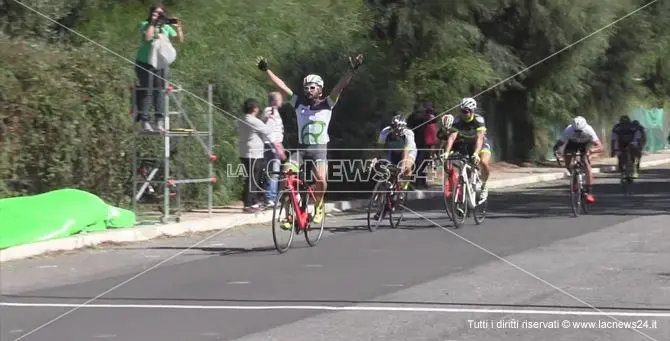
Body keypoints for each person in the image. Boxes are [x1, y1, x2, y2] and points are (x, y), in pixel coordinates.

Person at [255, 54, 363, 226]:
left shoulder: (328, 103)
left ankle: (318, 205)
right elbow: (281, 86)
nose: (308, 90)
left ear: (320, 89)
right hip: (302, 149)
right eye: (306, 88)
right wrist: (266, 70)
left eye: (312, 87)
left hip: (319, 149)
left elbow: (340, 86)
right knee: (286, 175)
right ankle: (291, 212)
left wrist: (351, 70)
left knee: (321, 179)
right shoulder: (299, 103)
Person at [134, 2, 184, 132]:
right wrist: (153, 23)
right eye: (154, 13)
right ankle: (145, 120)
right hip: (145, 62)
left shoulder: (166, 27)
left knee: (159, 91)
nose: (156, 15)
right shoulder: (146, 25)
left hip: (161, 63)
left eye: (159, 13)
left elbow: (179, 40)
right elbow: (147, 37)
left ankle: (159, 120)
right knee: (147, 90)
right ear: (151, 14)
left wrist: (178, 27)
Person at [439, 98, 492, 203]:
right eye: (461, 110)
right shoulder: (458, 121)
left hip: (480, 145)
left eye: (465, 111)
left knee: (483, 162)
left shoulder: (478, 120)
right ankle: (465, 196)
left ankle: (485, 184)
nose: (463, 113)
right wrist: (446, 152)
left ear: (472, 111)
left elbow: (480, 137)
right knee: (465, 168)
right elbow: (452, 137)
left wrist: (476, 153)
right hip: (466, 146)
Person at [552, 116, 603, 203]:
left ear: (584, 127)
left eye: (580, 131)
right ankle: (574, 178)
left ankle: (589, 192)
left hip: (584, 144)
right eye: (576, 131)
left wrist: (591, 151)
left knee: (586, 164)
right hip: (572, 144)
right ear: (572, 128)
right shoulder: (568, 130)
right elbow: (560, 143)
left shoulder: (589, 130)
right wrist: (556, 149)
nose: (578, 133)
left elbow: (600, 146)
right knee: (567, 162)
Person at [237, 99, 275, 213]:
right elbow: (268, 130)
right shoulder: (253, 120)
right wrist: (271, 120)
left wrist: (264, 119)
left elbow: (258, 126)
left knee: (249, 178)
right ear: (254, 108)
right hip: (254, 154)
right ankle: (249, 204)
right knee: (253, 180)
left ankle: (252, 201)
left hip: (244, 152)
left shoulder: (242, 119)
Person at [260, 92, 286, 207]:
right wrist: (277, 146)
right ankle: (270, 198)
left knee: (273, 171)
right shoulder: (270, 111)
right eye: (279, 99)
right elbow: (269, 131)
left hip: (274, 144)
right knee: (273, 172)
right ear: (274, 100)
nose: (282, 100)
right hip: (271, 145)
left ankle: (270, 197)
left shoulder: (274, 111)